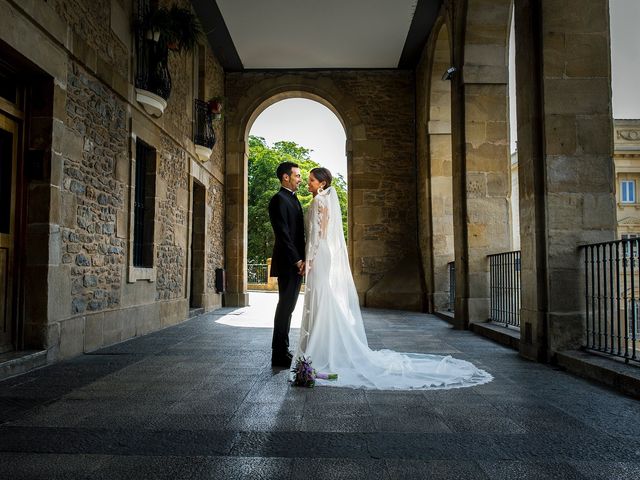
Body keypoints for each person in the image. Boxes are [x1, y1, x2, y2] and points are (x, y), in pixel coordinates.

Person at [294, 167, 492, 389]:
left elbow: (318, 235)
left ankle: (321, 349)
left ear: (322, 184)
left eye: (311, 180)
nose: (309, 183)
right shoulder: (322, 201)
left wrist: (308, 259)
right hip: (321, 254)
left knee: (322, 298)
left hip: (319, 255)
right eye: (309, 180)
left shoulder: (319, 202)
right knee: (323, 298)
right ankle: (322, 347)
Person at [269, 162, 306, 368]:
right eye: (297, 176)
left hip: (296, 263)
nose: (300, 179)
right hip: (288, 263)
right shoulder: (278, 200)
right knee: (285, 307)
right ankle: (278, 354)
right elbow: (283, 234)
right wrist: (297, 260)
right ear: (286, 177)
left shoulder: (293, 199)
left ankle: (283, 350)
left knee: (288, 308)